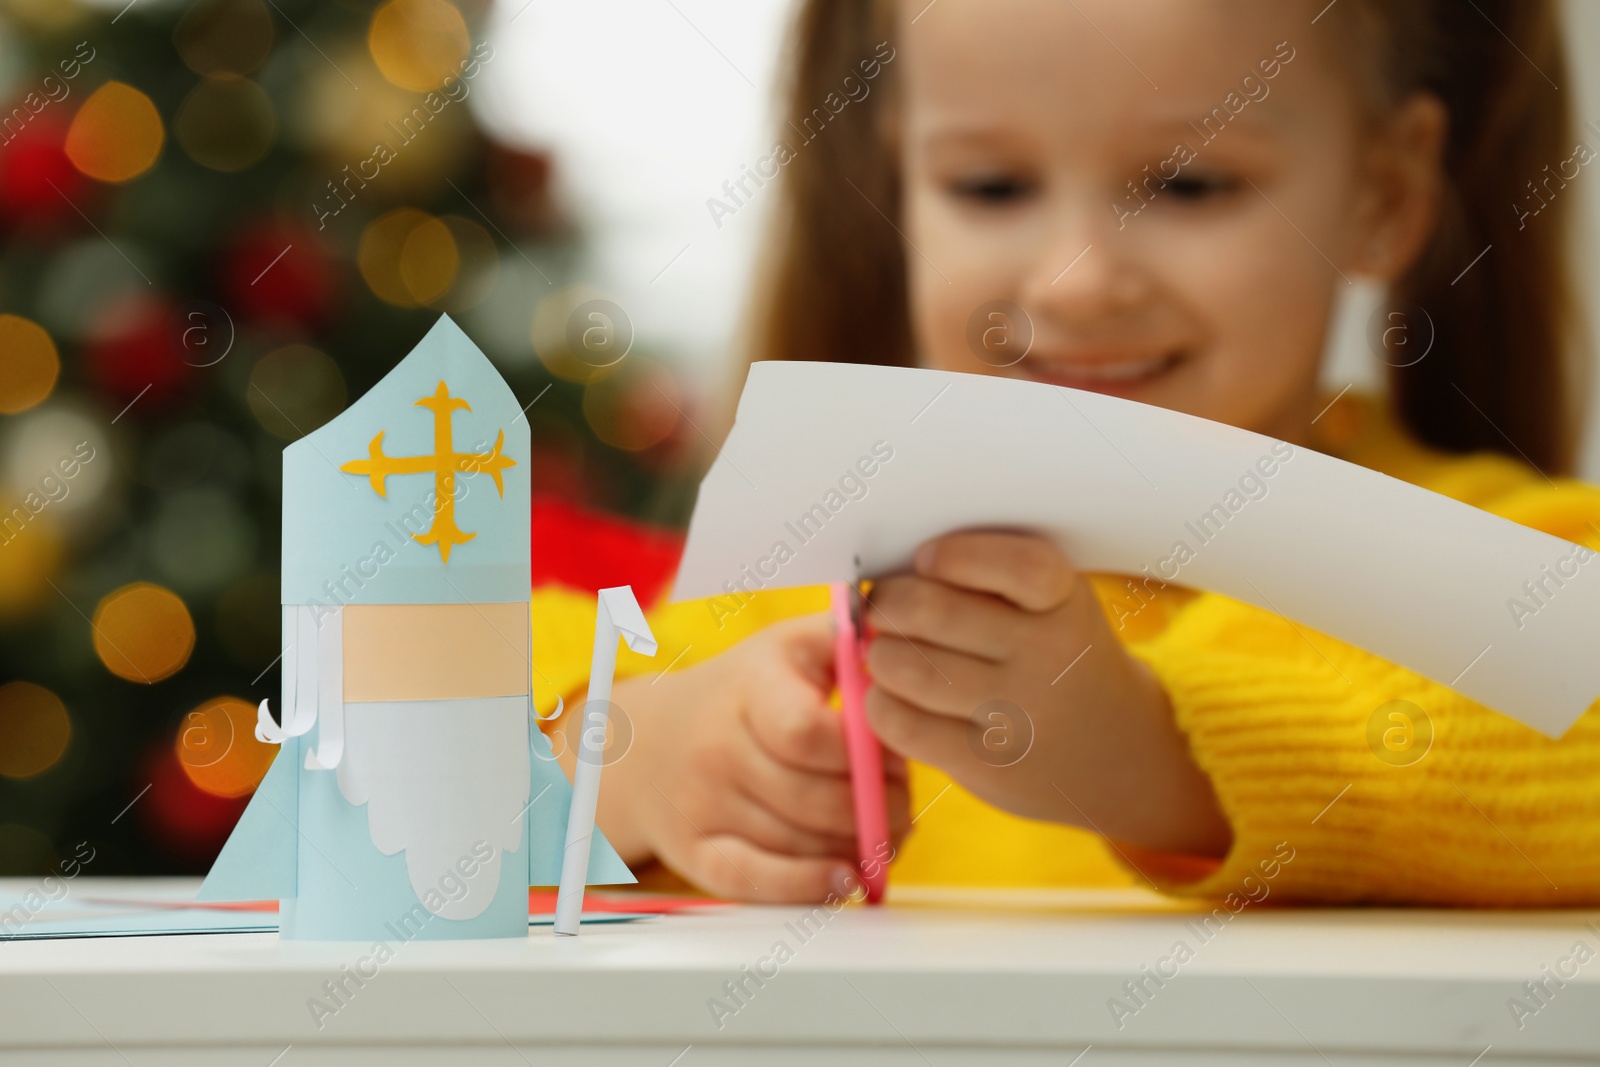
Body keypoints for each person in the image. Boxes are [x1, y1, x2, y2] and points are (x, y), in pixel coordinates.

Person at [535, 0, 1600, 905]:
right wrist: (631, 755)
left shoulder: (1504, 558)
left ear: (1382, 195)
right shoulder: (804, 580)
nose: (1075, 283)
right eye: (990, 186)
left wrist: (1156, 752)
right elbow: (417, 737)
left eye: (1189, 185)